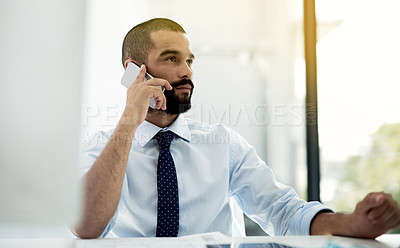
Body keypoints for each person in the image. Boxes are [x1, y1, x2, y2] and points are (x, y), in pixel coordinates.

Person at [74, 18, 400, 239]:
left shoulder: (222, 143)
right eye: (172, 59)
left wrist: (353, 223)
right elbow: (86, 227)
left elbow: (283, 212)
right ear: (134, 71)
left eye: (190, 60)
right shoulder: (103, 146)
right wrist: (130, 119)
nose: (187, 71)